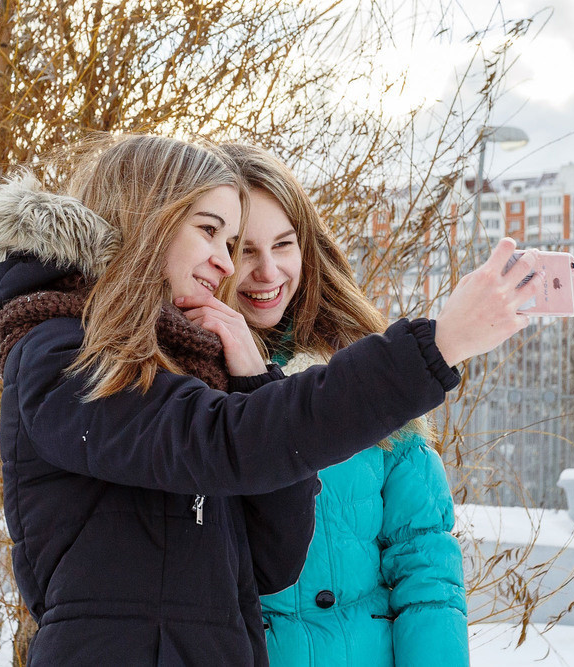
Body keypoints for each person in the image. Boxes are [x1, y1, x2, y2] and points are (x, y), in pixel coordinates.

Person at [0, 134, 545, 666]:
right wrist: (439, 343)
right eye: (211, 232)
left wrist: (250, 378)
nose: (224, 261)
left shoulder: (184, 363)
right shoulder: (63, 353)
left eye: (230, 239)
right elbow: (226, 441)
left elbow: (273, 559)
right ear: (147, 219)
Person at [185, 143, 469, 666]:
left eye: (284, 244)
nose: (268, 272)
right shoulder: (178, 386)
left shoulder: (365, 374)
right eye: (244, 250)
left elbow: (423, 559)